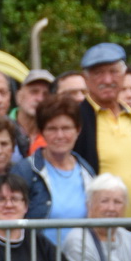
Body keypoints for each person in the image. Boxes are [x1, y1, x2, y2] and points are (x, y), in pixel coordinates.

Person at [75, 42, 131, 218]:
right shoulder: (78, 118)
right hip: (101, 230)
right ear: (86, 79)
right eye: (98, 73)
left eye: (113, 72)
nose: (107, 80)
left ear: (124, 75)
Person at [27, 94, 95, 241]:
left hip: (80, 260)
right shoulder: (26, 171)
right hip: (40, 260)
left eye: (66, 128)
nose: (60, 135)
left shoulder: (87, 171)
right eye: (52, 129)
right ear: (41, 132)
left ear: (78, 130)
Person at [13, 69, 54, 151]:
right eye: (34, 92)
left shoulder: (54, 134)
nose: (40, 99)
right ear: (19, 96)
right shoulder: (1, 128)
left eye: (45, 94)